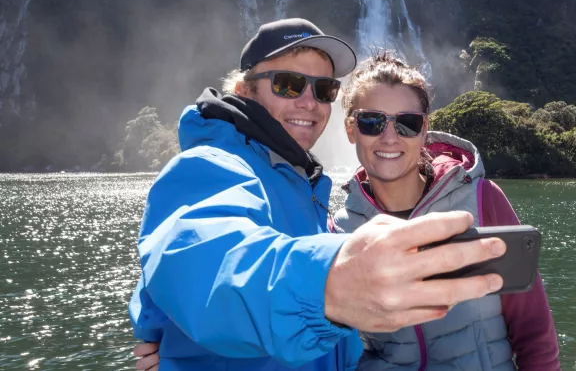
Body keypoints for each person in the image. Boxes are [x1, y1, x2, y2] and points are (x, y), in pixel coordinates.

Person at [128, 19, 509, 371]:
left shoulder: (305, 191)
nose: (309, 102)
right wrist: (331, 285)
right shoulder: (213, 164)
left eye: (324, 89)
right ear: (245, 90)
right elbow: (204, 260)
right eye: (288, 85)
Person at [331, 50, 561, 370]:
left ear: (425, 129)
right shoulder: (339, 230)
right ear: (351, 129)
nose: (389, 137)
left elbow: (534, 331)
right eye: (372, 121)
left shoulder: (481, 199)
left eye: (407, 124)